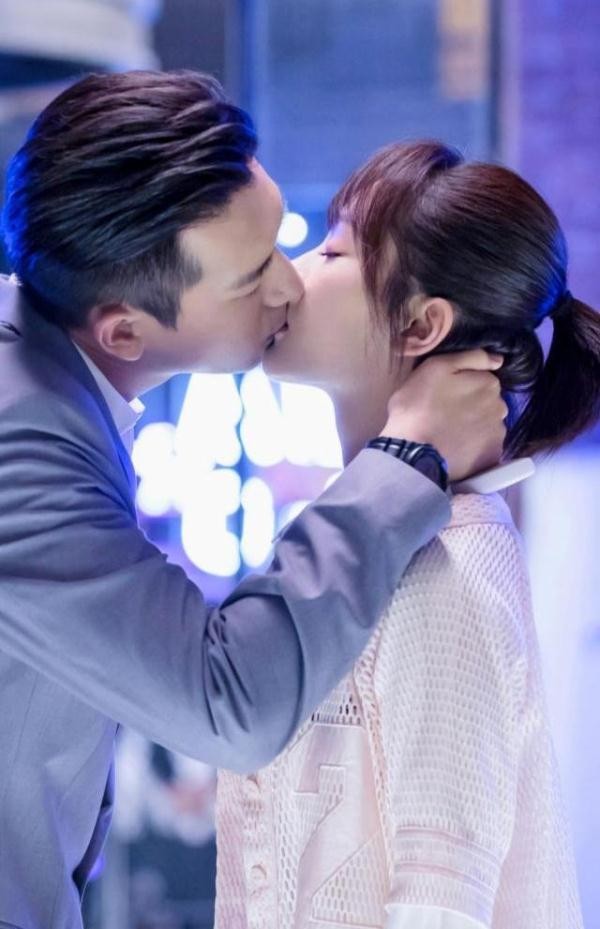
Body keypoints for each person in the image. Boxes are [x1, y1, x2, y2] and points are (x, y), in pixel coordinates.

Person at [0, 74, 505, 928]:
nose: (291, 285)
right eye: (252, 275)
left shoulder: (43, 376)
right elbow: (226, 701)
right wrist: (403, 457)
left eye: (291, 242)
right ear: (124, 329)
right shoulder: (22, 438)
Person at [215, 141, 599, 929]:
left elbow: (439, 909)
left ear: (421, 324)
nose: (291, 275)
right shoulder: (358, 539)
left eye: (331, 252)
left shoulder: (443, 566)